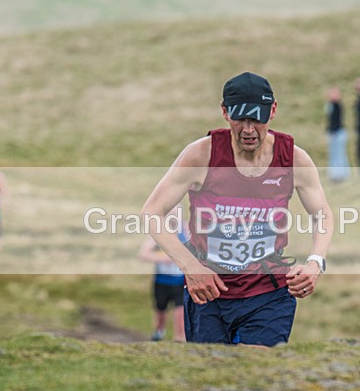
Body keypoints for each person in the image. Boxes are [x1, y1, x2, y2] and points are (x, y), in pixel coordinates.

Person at [141, 72, 333, 347]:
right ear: (224, 111)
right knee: (212, 380)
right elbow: (152, 212)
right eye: (240, 118)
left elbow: (322, 214)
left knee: (257, 376)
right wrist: (191, 267)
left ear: (273, 111)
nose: (248, 129)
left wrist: (316, 262)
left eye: (257, 119)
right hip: (209, 292)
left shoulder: (293, 159)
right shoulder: (201, 155)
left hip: (269, 293)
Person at [138, 229, 191, 343]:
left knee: (180, 313)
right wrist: (164, 258)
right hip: (162, 281)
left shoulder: (186, 230)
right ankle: (158, 334)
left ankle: (179, 340)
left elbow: (196, 251)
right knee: (160, 314)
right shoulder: (158, 233)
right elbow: (143, 254)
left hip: (180, 282)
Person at [325, 86, 350, 182]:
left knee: (339, 154)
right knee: (334, 154)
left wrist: (333, 131)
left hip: (338, 133)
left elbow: (336, 121)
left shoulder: (337, 106)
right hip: (334, 133)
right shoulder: (331, 105)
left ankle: (341, 174)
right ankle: (336, 174)